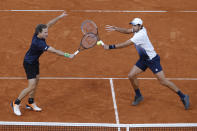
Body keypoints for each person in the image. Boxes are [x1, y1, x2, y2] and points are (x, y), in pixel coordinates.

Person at [104, 18, 189, 110]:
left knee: (163, 81)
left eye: (135, 25)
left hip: (153, 60)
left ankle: (183, 96)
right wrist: (116, 28)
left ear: (140, 26)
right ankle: (139, 95)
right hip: (143, 59)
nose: (133, 27)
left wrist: (110, 47)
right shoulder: (139, 29)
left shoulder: (140, 35)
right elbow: (127, 31)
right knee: (131, 75)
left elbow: (125, 44)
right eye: (133, 25)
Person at [11, 11, 75, 116]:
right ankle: (15, 103)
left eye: (47, 32)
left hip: (35, 62)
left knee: (36, 82)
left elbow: (49, 24)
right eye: (45, 33)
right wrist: (68, 55)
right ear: (39, 33)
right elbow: (54, 51)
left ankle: (30, 103)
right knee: (31, 86)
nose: (47, 34)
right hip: (29, 63)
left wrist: (60, 16)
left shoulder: (38, 34)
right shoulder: (38, 43)